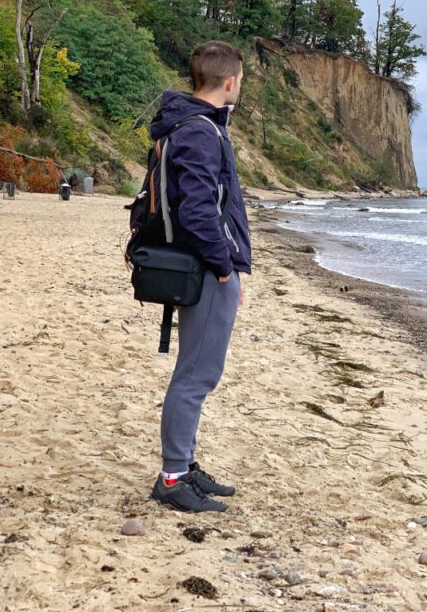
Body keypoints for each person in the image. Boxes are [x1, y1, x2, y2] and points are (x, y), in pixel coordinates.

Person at [147, 41, 252, 513]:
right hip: (206, 269)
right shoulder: (201, 132)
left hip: (202, 266)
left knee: (196, 372)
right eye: (241, 80)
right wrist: (226, 268)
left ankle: (184, 466)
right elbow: (198, 211)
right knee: (196, 375)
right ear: (229, 82)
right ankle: (173, 476)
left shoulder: (191, 126)